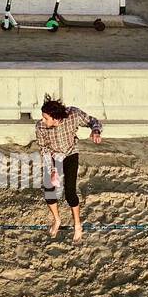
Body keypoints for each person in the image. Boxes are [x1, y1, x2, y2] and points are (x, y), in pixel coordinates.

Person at [36, 96, 103, 242]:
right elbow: (44, 149)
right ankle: (57, 220)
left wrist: (96, 131)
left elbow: (93, 121)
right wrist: (53, 170)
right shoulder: (40, 127)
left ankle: (78, 225)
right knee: (48, 190)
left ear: (55, 118)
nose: (42, 121)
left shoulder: (73, 114)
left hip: (71, 154)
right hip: (54, 156)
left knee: (70, 193)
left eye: (45, 118)